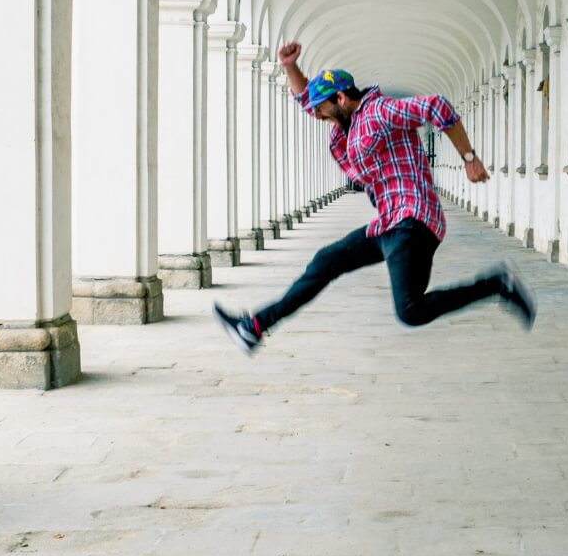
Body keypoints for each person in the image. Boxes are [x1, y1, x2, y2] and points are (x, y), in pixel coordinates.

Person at [213, 41, 536, 353]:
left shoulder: (379, 111)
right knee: (326, 261)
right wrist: (290, 65)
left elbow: (436, 105)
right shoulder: (346, 122)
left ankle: (497, 284)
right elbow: (306, 100)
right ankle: (254, 327)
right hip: (388, 224)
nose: (318, 116)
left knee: (410, 310)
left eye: (323, 109)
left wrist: (469, 159)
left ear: (340, 98)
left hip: (412, 220)